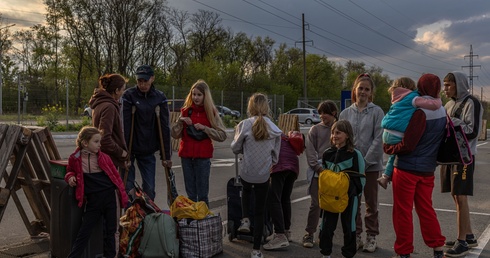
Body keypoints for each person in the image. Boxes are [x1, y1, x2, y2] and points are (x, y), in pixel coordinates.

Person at [383, 73, 447, 258]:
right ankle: (437, 247)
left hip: (406, 169)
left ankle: (404, 251)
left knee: (403, 212)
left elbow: (408, 144)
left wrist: (389, 148)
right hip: (427, 170)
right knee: (426, 209)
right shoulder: (442, 110)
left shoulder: (419, 112)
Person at [231, 93, 282, 258]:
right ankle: (256, 250)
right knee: (260, 212)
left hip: (247, 172)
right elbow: (275, 156)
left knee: (245, 189)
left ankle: (245, 219)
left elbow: (235, 148)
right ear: (267, 107)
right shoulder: (274, 128)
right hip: (263, 175)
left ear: (250, 107)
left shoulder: (245, 125)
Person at [64, 126, 128, 258]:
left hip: (109, 197)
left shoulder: (104, 157)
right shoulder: (75, 158)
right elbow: (70, 170)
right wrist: (70, 177)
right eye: (96, 141)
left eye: (100, 141)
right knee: (85, 231)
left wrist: (122, 196)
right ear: (85, 143)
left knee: (111, 231)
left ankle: (111, 255)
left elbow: (116, 178)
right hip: (93, 201)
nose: (100, 145)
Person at [339, 73, 384, 252]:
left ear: (371, 92)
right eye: (360, 88)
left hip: (370, 167)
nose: (363, 92)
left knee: (371, 203)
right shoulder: (345, 113)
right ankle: (355, 235)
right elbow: (341, 139)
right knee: (353, 203)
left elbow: (379, 139)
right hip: (350, 168)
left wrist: (364, 162)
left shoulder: (377, 112)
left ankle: (371, 236)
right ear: (354, 90)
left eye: (367, 89)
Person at [441, 71, 483, 257]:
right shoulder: (449, 104)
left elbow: (473, 131)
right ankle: (469, 235)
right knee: (455, 195)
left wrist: (452, 123)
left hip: (464, 157)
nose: (445, 88)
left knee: (461, 196)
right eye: (444, 85)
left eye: (448, 85)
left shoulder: (471, 102)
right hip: (450, 157)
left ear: (459, 85)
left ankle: (462, 242)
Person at [377, 77, 442, 189]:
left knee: (393, 155)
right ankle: (386, 176)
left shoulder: (396, 98)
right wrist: (438, 99)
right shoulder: (412, 98)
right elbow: (433, 105)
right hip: (398, 134)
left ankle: (385, 176)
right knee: (396, 155)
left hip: (386, 133)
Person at [171, 79, 227, 205]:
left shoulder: (211, 112)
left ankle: (204, 221)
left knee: (202, 195)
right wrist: (180, 122)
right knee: (191, 194)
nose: (195, 97)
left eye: (199, 95)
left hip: (202, 157)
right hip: (186, 156)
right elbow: (174, 135)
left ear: (205, 96)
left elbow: (222, 135)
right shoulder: (186, 111)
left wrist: (205, 128)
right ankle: (193, 222)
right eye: (193, 94)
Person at [122, 65, 172, 200]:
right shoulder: (129, 95)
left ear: (152, 79)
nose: (142, 84)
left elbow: (165, 127)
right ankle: (130, 217)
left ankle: (148, 216)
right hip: (131, 148)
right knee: (128, 187)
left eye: (145, 81)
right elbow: (125, 126)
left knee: (149, 188)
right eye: (139, 81)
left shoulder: (159, 97)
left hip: (148, 148)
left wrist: (166, 155)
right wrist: (125, 154)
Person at [319, 120, 365, 258]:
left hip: (349, 198)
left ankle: (348, 254)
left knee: (349, 227)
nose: (334, 135)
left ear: (347, 135)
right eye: (333, 133)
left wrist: (353, 193)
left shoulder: (355, 154)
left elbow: (361, 179)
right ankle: (325, 253)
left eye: (338, 132)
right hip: (330, 198)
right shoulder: (327, 153)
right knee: (326, 227)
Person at [302, 100, 338, 248]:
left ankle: (326, 233)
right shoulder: (314, 130)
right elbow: (310, 151)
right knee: (316, 204)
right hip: (318, 172)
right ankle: (309, 233)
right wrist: (318, 168)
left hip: (335, 172)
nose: (322, 116)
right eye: (320, 113)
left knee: (331, 204)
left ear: (333, 113)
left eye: (326, 113)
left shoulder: (339, 129)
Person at [263, 132, 301, 250]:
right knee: (285, 199)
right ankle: (286, 231)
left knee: (274, 199)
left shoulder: (265, 132)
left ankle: (279, 235)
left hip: (279, 165)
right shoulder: (278, 132)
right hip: (293, 166)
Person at [89, 73, 129, 170]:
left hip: (102, 156)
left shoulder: (100, 103)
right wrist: (122, 153)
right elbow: (105, 138)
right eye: (122, 89)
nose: (123, 92)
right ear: (116, 91)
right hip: (108, 159)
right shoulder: (109, 107)